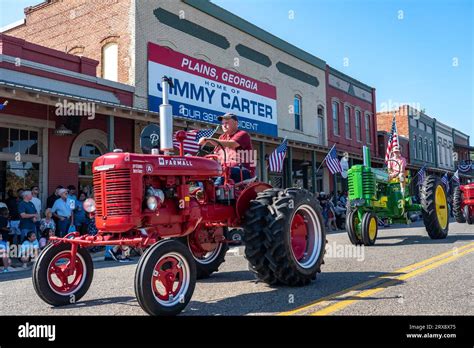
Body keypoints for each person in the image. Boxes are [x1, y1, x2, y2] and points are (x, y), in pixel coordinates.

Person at [198, 113, 255, 185]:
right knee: (202, 176)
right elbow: (215, 157)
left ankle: (216, 192)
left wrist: (208, 139)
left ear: (236, 123)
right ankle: (201, 193)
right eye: (223, 123)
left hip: (243, 171)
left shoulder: (243, 134)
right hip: (225, 170)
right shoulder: (222, 137)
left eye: (227, 123)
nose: (224, 125)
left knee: (221, 177)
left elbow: (231, 144)